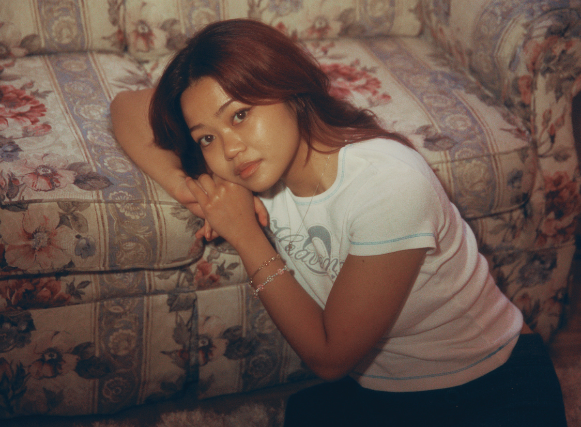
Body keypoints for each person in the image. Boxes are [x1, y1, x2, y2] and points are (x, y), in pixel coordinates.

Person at [110, 19, 567, 427]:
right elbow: (127, 106)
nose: (229, 149)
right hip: (387, 392)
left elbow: (329, 358)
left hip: (490, 387)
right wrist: (189, 189)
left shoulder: (389, 183)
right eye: (207, 138)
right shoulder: (259, 166)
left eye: (241, 115)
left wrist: (246, 235)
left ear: (289, 89)